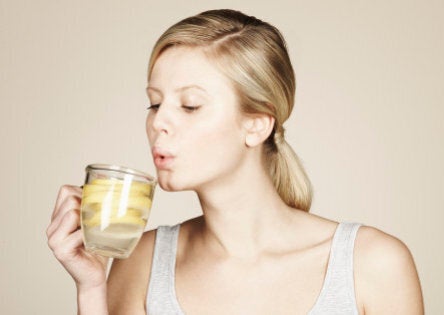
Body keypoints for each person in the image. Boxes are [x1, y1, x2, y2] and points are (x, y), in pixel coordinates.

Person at [46, 9, 424, 314]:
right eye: (155, 102)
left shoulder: (372, 264)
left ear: (257, 124)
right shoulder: (141, 262)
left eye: (190, 105)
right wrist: (92, 289)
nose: (159, 122)